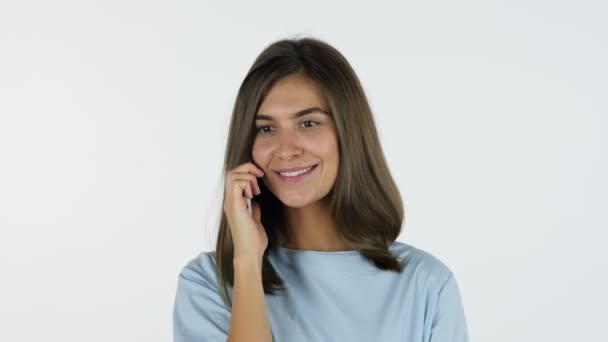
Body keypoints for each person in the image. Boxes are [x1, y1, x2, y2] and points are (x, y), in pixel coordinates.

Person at [173, 36, 469, 342]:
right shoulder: (208, 284)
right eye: (266, 128)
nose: (286, 149)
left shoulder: (426, 285)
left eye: (308, 123)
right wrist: (247, 263)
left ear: (348, 132)